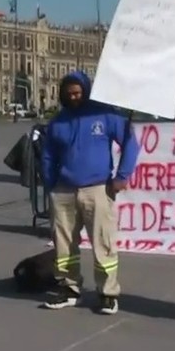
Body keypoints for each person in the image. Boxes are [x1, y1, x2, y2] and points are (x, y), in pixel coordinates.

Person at [40, 70, 139, 314]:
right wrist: (51, 183)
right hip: (63, 192)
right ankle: (70, 288)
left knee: (102, 243)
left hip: (97, 189)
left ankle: (107, 293)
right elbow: (48, 155)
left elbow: (130, 141)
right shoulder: (58, 121)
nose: (74, 97)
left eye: (78, 92)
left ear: (86, 91)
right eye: (69, 93)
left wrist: (122, 176)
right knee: (64, 246)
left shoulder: (104, 114)